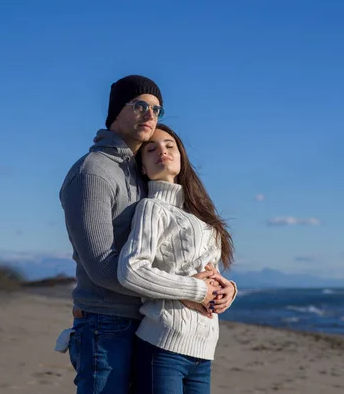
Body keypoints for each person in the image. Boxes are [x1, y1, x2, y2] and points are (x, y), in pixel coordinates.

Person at [56, 75, 231, 394]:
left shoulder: (140, 173)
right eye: (139, 106)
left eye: (156, 109)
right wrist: (189, 292)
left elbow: (176, 257)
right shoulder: (93, 172)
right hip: (105, 324)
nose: (150, 115)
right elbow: (102, 268)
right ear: (114, 113)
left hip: (146, 323)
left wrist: (222, 288)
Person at [118, 123, 237, 394]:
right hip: (163, 344)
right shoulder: (152, 208)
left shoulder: (201, 214)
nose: (163, 151)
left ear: (182, 158)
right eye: (152, 148)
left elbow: (208, 271)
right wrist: (195, 290)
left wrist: (229, 290)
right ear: (143, 168)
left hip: (204, 348)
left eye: (170, 146)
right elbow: (131, 270)